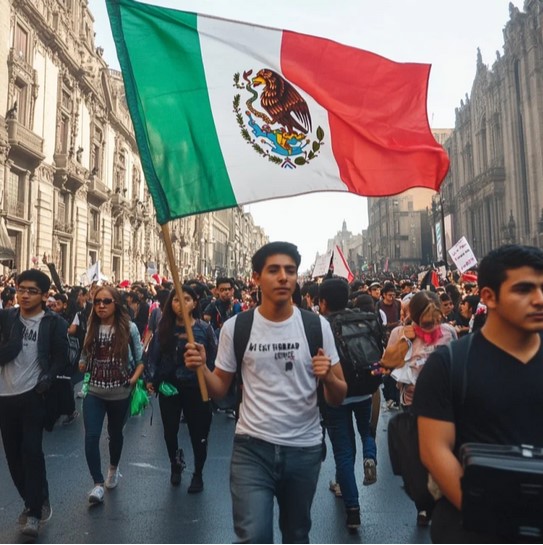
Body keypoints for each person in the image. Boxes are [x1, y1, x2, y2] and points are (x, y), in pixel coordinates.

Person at [185, 241, 347, 543]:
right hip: (251, 449)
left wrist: (328, 378)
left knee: (296, 534)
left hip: (304, 450)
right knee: (254, 535)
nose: (284, 277)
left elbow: (338, 395)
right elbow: (220, 389)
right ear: (256, 278)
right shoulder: (237, 328)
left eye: (290, 270)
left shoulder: (316, 326)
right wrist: (202, 368)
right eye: (274, 270)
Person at [413, 244, 543, 543]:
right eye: (524, 290)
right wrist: (494, 520)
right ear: (488, 296)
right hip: (472, 530)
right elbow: (435, 452)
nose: (538, 299)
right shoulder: (448, 365)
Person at [0, 269, 69, 537]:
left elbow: (61, 359)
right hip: (5, 397)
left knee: (31, 451)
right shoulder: (6, 318)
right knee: (13, 458)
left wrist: (47, 380)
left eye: (31, 290)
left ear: (43, 294)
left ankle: (34, 512)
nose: (24, 295)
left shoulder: (54, 323)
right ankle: (35, 498)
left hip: (34, 395)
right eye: (21, 289)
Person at [381, 290, 457, 526]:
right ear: (415, 317)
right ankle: (423, 505)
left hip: (445, 403)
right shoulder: (400, 333)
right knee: (421, 456)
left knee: (444, 452)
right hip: (413, 402)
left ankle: (444, 497)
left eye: (436, 319)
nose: (433, 325)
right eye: (427, 321)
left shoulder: (449, 333)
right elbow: (385, 365)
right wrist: (405, 342)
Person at [318, 278, 383, 531]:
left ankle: (353, 510)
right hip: (365, 390)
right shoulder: (366, 318)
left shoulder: (322, 326)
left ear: (323, 302)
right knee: (366, 431)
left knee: (343, 452)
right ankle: (370, 457)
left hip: (336, 394)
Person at [146, 286, 217, 493]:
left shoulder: (204, 329)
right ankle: (174, 464)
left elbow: (213, 358)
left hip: (197, 387)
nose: (181, 304)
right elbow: (153, 357)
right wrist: (151, 379)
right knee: (170, 431)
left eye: (186, 299)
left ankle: (198, 473)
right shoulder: (163, 329)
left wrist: (210, 379)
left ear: (194, 303)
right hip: (171, 387)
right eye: (176, 300)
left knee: (199, 434)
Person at [78, 286, 144, 505]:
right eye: (97, 302)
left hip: (120, 393)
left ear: (116, 303)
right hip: (94, 391)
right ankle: (97, 484)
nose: (101, 306)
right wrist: (82, 363)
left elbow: (141, 360)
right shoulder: (91, 326)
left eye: (106, 301)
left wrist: (132, 380)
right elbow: (84, 355)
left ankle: (113, 469)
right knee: (91, 436)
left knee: (115, 435)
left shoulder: (130, 328)